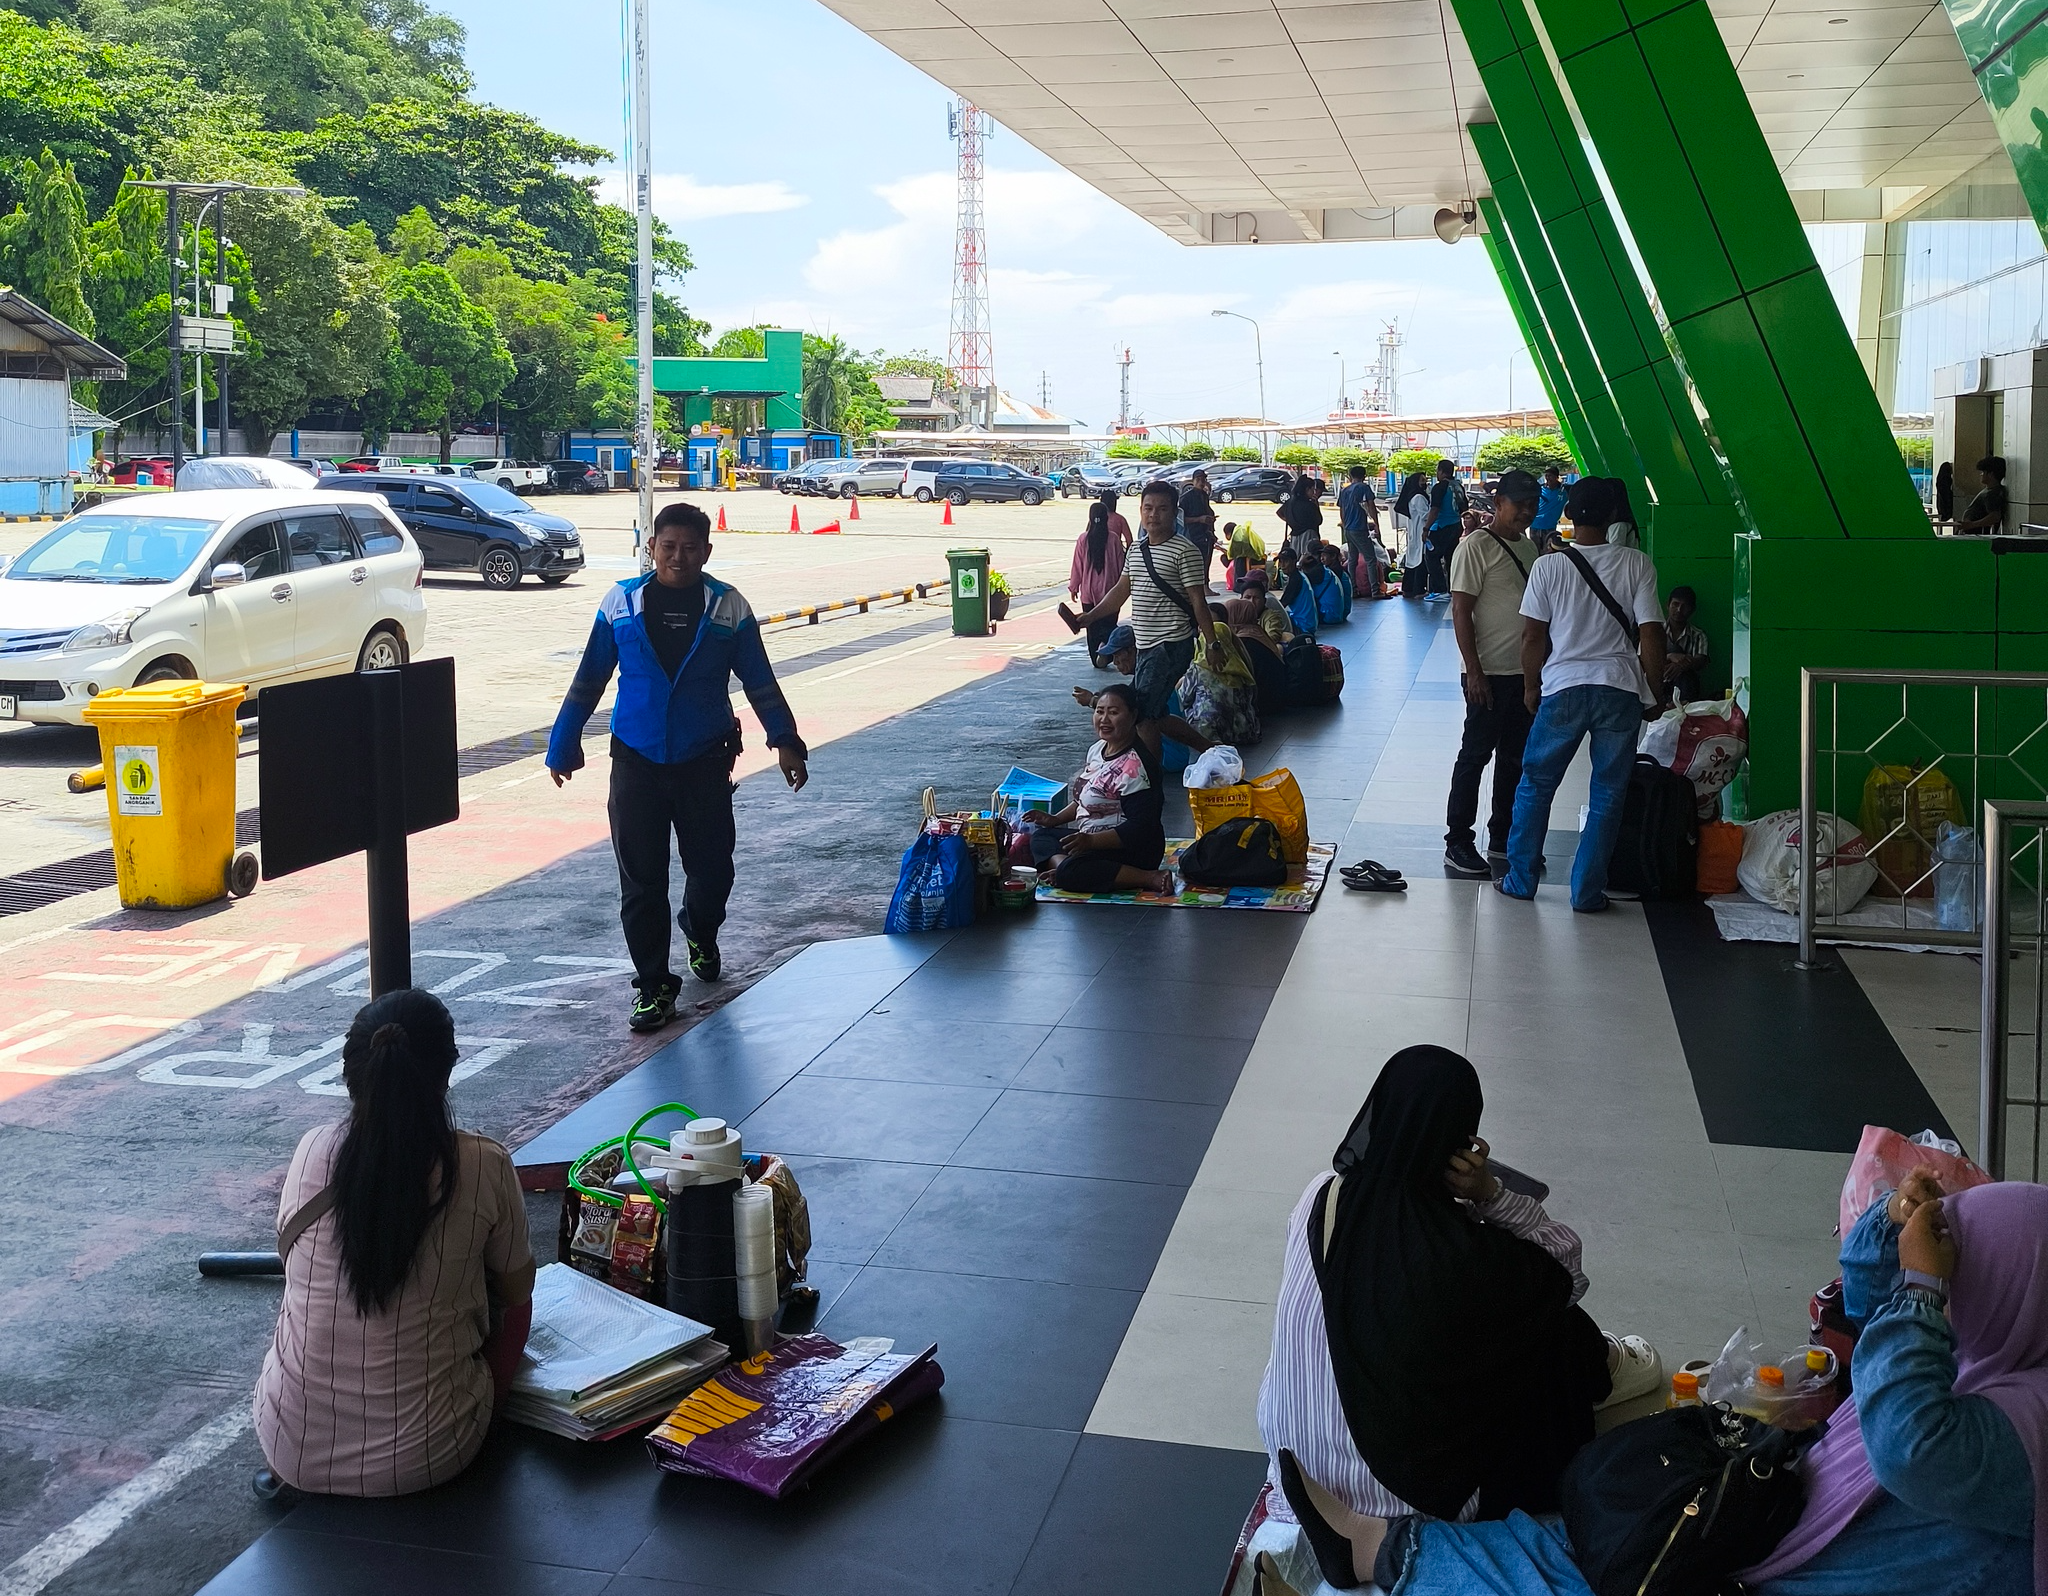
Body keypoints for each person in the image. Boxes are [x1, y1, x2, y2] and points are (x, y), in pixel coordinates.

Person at [1297, 1175, 2048, 1596]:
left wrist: (1920, 1291)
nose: (1947, 1303)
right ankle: (1382, 1552)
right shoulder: (2004, 1357)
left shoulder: (2028, 1428)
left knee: (1579, 1579)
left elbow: (1909, 1445)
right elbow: (1863, 1304)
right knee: (1601, 1533)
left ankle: (1383, 1556)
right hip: (1793, 1531)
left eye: (1962, 1282)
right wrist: (1892, 1226)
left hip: (1800, 1572)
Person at [1258, 1047, 1660, 1591]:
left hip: (1291, 1453)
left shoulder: (1319, 1196)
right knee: (1555, 1333)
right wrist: (1490, 1193)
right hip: (1395, 1492)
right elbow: (1567, 1270)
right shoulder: (1457, 1258)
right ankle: (1609, 1366)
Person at [254, 989, 535, 1500]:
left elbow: (293, 1267)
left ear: (350, 1074)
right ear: (447, 1073)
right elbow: (518, 1306)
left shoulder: (311, 1149)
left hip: (288, 1447)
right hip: (432, 1454)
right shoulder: (483, 1163)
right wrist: (489, 1413)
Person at [548, 501, 809, 1030]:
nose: (678, 558)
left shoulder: (727, 606)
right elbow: (590, 676)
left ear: (706, 552)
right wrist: (564, 739)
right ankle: (652, 987)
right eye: (668, 547)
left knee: (713, 869)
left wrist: (785, 738)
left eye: (690, 548)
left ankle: (700, 926)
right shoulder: (620, 602)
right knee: (641, 881)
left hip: (703, 761)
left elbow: (758, 679)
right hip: (636, 761)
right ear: (652, 549)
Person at [1497, 477, 1666, 912]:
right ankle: (1587, 894)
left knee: (1535, 785)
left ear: (1568, 514)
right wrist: (1654, 691)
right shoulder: (1637, 563)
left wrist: (1532, 686)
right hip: (1619, 688)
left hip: (1563, 689)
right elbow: (1651, 633)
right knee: (1608, 792)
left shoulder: (1547, 566)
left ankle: (1520, 880)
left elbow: (1532, 637)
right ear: (1612, 517)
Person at [1061, 479, 1221, 758]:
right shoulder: (1136, 550)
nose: (1153, 515)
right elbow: (1120, 591)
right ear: (1140, 510)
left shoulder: (1186, 551)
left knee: (1142, 713)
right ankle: (1210, 751)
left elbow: (1198, 601)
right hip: (1145, 644)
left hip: (1171, 644)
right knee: (1154, 713)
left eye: (1161, 509)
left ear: (1175, 513)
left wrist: (1213, 644)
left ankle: (1147, 779)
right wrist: (1090, 616)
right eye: (1148, 508)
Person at [1443, 468, 1540, 880]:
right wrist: (1474, 672)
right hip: (1488, 674)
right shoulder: (1475, 547)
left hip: (1522, 674)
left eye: (1533, 505)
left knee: (1515, 759)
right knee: (1475, 756)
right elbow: (1461, 611)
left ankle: (1502, 836)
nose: (1527, 513)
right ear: (1499, 503)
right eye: (1520, 505)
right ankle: (1458, 841)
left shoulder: (1531, 550)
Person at [1021, 683, 1173, 895]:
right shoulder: (1097, 749)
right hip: (1091, 841)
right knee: (1042, 837)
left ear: (1133, 716)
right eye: (1100, 711)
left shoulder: (1136, 767)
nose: (1104, 719)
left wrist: (1091, 841)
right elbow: (1086, 798)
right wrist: (1054, 819)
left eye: (1113, 712)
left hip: (1131, 849)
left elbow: (1142, 828)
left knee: (1075, 870)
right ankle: (1066, 868)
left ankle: (1148, 877)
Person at [1068, 497, 1128, 666]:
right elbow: (1119, 566)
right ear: (1106, 518)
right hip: (1110, 593)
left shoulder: (1083, 539)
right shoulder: (1114, 539)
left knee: (1092, 628)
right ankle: (1107, 652)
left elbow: (1077, 565)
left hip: (1089, 593)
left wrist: (1074, 587)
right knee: (1109, 626)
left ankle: (1096, 657)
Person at [1423, 459, 1467, 602]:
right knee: (1450, 558)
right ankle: (1452, 588)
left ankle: (1440, 590)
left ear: (1441, 471)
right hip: (1456, 525)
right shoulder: (1458, 486)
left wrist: (1426, 528)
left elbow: (1435, 509)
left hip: (1441, 526)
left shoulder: (1439, 487)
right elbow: (1464, 507)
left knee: (1432, 556)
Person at [1337, 465, 1381, 599]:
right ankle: (1375, 590)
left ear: (1350, 476)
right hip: (1360, 529)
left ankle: (1353, 590)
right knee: (1371, 559)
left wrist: (1345, 524)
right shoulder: (1364, 488)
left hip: (1348, 529)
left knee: (1352, 559)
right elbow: (1371, 505)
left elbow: (1342, 511)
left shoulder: (1345, 490)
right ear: (1364, 476)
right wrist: (1376, 524)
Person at [1661, 585, 1709, 704]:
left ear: (1692, 610)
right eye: (1675, 604)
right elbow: (1642, 659)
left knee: (1686, 673)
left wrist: (1681, 665)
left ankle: (1681, 703)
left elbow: (1701, 661)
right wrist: (1670, 657)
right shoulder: (1655, 632)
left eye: (1684, 606)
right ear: (1668, 605)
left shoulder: (1698, 635)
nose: (1679, 610)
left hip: (1685, 688)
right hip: (1658, 683)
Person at [1393, 472, 1431, 598]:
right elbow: (1425, 515)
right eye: (1422, 480)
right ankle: (1418, 589)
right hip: (1420, 531)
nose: (1425, 483)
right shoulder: (1419, 497)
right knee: (1419, 560)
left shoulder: (1412, 496)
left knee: (1412, 561)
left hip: (1414, 532)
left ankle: (1408, 588)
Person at [1953, 455, 2010, 534]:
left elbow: (1995, 516)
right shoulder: (1989, 491)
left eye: (1983, 472)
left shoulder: (1992, 493)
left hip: (1977, 534)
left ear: (1991, 474)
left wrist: (1970, 525)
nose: (1981, 475)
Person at [1181, 467, 1219, 579]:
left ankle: (1205, 585)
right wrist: (1199, 519)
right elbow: (1180, 519)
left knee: (1206, 561)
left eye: (1203, 479)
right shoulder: (1186, 498)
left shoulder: (1204, 495)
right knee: (1195, 563)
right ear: (1193, 481)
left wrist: (1210, 521)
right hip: (1192, 535)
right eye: (1198, 479)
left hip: (1205, 534)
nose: (1201, 482)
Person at [1277, 471, 1325, 561]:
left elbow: (1279, 512)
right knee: (1308, 561)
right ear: (1307, 489)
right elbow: (1319, 520)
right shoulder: (1309, 504)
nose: (1314, 492)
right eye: (1312, 489)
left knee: (1296, 561)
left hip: (1294, 537)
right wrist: (1316, 505)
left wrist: (1292, 521)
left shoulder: (1290, 502)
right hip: (1309, 537)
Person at [1225, 519, 1268, 591]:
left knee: (1238, 560)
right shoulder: (1243, 531)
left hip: (1248, 558)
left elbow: (1232, 554)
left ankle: (1239, 586)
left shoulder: (1237, 536)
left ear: (1229, 533)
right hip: (1257, 555)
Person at [1319, 543, 1354, 622]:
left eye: (1324, 556)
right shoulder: (1342, 571)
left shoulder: (1333, 573)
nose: (1322, 559)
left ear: (1333, 556)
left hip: (1337, 613)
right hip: (1344, 612)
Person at [1532, 465, 1566, 540]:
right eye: (1546, 475)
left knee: (1549, 550)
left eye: (1550, 476)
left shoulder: (1563, 491)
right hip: (1535, 525)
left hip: (1550, 527)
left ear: (1556, 477)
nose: (1548, 478)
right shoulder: (1540, 490)